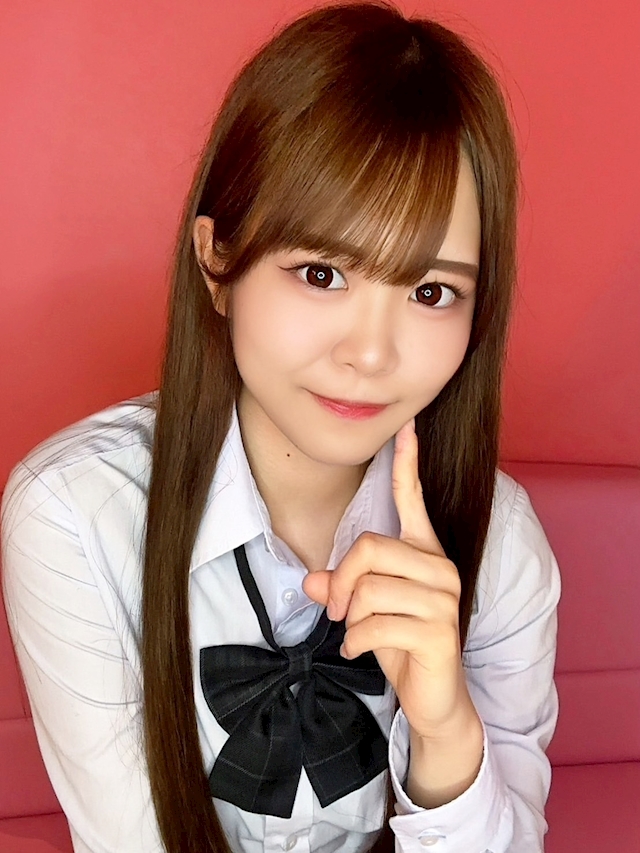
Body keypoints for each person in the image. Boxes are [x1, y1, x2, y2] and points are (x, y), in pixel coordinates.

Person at [0, 1, 562, 851]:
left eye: (430, 291)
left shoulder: (503, 542)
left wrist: (445, 731)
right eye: (322, 273)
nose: (370, 353)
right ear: (217, 260)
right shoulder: (75, 515)